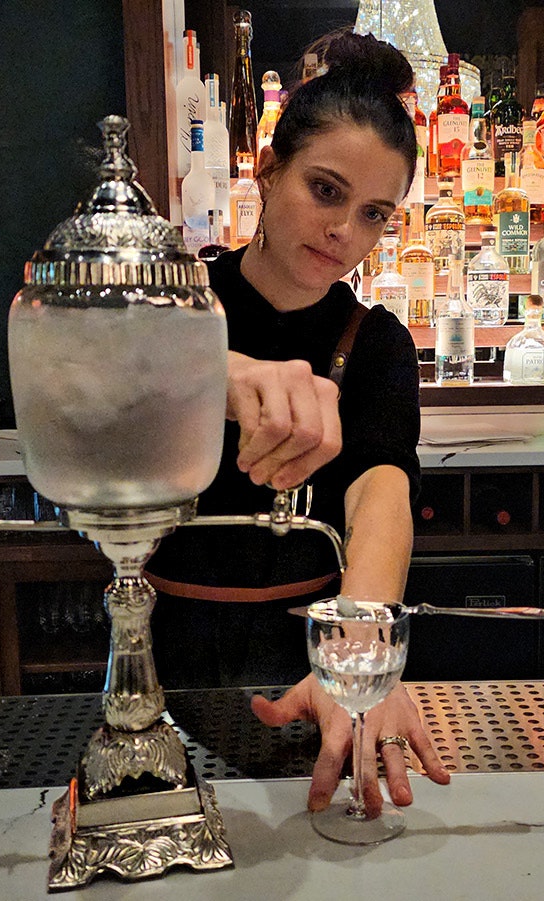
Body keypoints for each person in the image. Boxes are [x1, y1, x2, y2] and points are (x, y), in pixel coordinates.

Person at [145, 31, 451, 818]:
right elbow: (85, 362)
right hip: (156, 644)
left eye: (374, 213)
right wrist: (226, 375)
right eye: (325, 190)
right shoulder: (175, 302)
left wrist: (362, 656)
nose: (346, 230)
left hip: (299, 660)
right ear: (268, 170)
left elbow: (382, 486)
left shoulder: (376, 343)